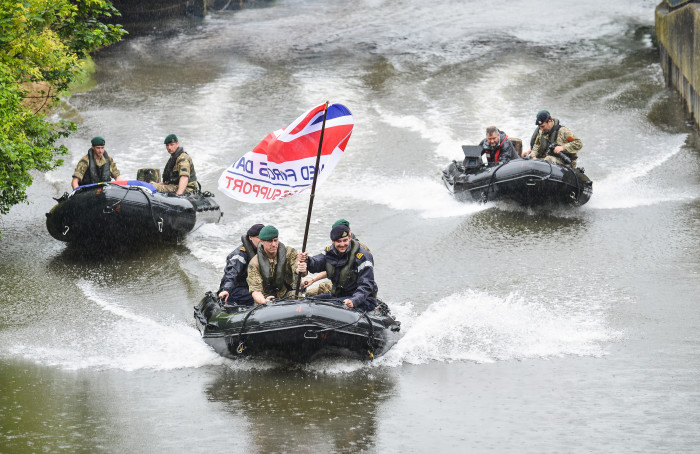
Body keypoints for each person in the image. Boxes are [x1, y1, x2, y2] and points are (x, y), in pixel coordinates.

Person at [297, 224, 378, 311]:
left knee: (328, 308)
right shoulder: (329, 252)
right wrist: (306, 260)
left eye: (345, 240)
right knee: (307, 302)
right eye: (339, 241)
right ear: (333, 241)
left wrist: (354, 300)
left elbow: (366, 284)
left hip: (363, 299)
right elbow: (316, 263)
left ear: (350, 238)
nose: (342, 244)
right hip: (339, 296)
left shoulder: (363, 257)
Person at [300, 219, 371, 293]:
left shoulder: (362, 251)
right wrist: (312, 278)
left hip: (357, 290)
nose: (342, 244)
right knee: (310, 294)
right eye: (338, 240)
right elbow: (331, 268)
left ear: (349, 231)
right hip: (339, 286)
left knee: (324, 287)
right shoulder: (335, 249)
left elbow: (366, 278)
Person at [246, 225, 301, 305]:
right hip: (266, 298)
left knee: (298, 296)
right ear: (261, 242)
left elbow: (299, 270)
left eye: (275, 240)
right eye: (270, 241)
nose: (274, 244)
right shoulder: (254, 263)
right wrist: (264, 301)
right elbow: (256, 291)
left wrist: (300, 269)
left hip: (286, 294)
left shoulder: (290, 253)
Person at [217, 223, 265, 306]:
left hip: (253, 286)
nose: (261, 240)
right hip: (236, 289)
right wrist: (226, 289)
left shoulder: (265, 251)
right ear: (250, 237)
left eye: (263, 238)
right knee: (257, 296)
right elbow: (232, 273)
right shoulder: (239, 255)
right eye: (258, 238)